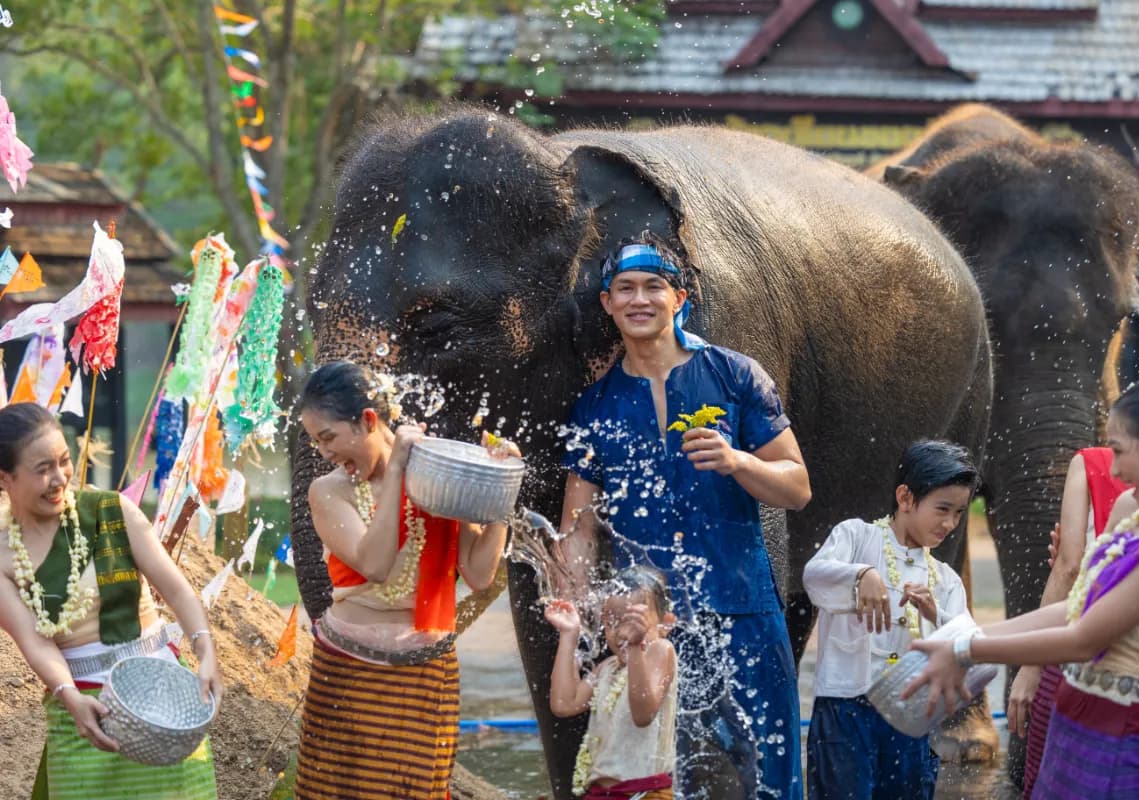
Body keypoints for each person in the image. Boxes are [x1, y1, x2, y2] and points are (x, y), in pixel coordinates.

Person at [559, 234, 812, 799]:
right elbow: (578, 528)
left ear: (679, 298)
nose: (639, 299)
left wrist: (738, 460)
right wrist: (574, 605)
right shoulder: (594, 407)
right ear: (607, 303)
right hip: (651, 630)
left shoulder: (735, 376)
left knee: (772, 775)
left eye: (654, 287)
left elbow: (797, 487)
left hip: (744, 610)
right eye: (625, 289)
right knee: (662, 781)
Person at [903, 377, 1139, 799]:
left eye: (1119, 451)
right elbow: (1077, 605)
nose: (1114, 470)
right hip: (1072, 726)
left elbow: (1084, 638)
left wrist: (966, 651)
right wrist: (963, 635)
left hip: (1122, 749)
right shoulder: (1133, 510)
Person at [295, 360, 517, 800]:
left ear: (368, 420)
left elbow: (478, 573)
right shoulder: (328, 490)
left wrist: (501, 490)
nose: (323, 452)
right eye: (316, 442)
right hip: (350, 671)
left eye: (328, 438)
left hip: (426, 671)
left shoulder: (438, 471)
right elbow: (374, 564)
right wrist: (396, 470)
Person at [0, 402, 221, 799]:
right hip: (85, 713)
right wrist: (70, 698)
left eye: (64, 461)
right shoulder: (3, 556)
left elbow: (176, 590)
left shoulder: (112, 511)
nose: (59, 478)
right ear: (5, 478)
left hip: (163, 702)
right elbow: (36, 642)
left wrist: (206, 651)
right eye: (43, 469)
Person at [802, 439, 975, 799]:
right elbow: (814, 577)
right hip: (845, 707)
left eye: (959, 512)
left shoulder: (945, 580)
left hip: (911, 716)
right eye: (943, 509)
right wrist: (860, 574)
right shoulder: (855, 537)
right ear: (905, 498)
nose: (950, 523)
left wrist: (935, 614)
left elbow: (969, 647)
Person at [1006, 446, 1139, 797]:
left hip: (1077, 665)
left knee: (1053, 783)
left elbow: (1070, 570)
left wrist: (1027, 666)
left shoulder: (1094, 464)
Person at [545, 566, 678, 800]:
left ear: (665, 624)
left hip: (645, 792)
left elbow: (643, 714)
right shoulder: (608, 668)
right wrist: (569, 634)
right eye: (613, 622)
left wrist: (636, 647)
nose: (623, 632)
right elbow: (564, 704)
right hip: (600, 793)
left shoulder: (660, 651)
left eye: (634, 621)